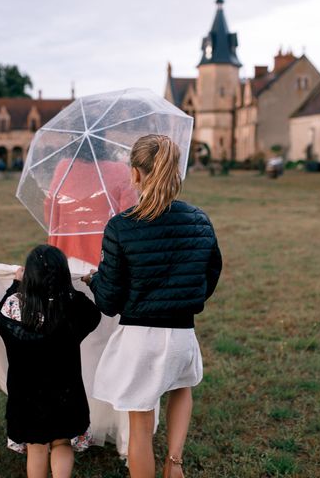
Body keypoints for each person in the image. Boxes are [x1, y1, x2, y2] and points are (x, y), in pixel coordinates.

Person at [82, 134, 222, 478]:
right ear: (176, 172)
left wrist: (95, 280)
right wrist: (184, 297)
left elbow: (109, 301)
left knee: (140, 426)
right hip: (181, 335)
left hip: (139, 338)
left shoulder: (120, 227)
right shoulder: (199, 221)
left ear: (135, 174)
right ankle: (174, 464)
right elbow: (211, 273)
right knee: (181, 388)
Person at [0, 244, 101, 478]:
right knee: (62, 443)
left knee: (36, 447)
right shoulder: (73, 305)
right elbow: (94, 316)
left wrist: (15, 283)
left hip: (26, 396)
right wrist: (83, 284)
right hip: (65, 393)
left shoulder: (14, 305)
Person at [45, 139, 138, 266]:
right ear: (102, 141)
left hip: (66, 256)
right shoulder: (121, 171)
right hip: (108, 259)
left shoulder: (64, 169)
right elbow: (130, 219)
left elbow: (50, 212)